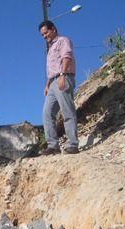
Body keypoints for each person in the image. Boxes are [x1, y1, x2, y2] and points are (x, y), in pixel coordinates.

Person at [39, 20, 79, 155]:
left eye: (46, 33)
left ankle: (72, 144)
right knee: (47, 113)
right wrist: (47, 85)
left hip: (64, 77)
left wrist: (62, 75)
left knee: (67, 110)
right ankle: (53, 146)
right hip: (53, 83)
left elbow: (66, 57)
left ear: (53, 29)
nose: (44, 36)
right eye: (42, 35)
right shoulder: (49, 49)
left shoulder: (63, 41)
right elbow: (51, 69)